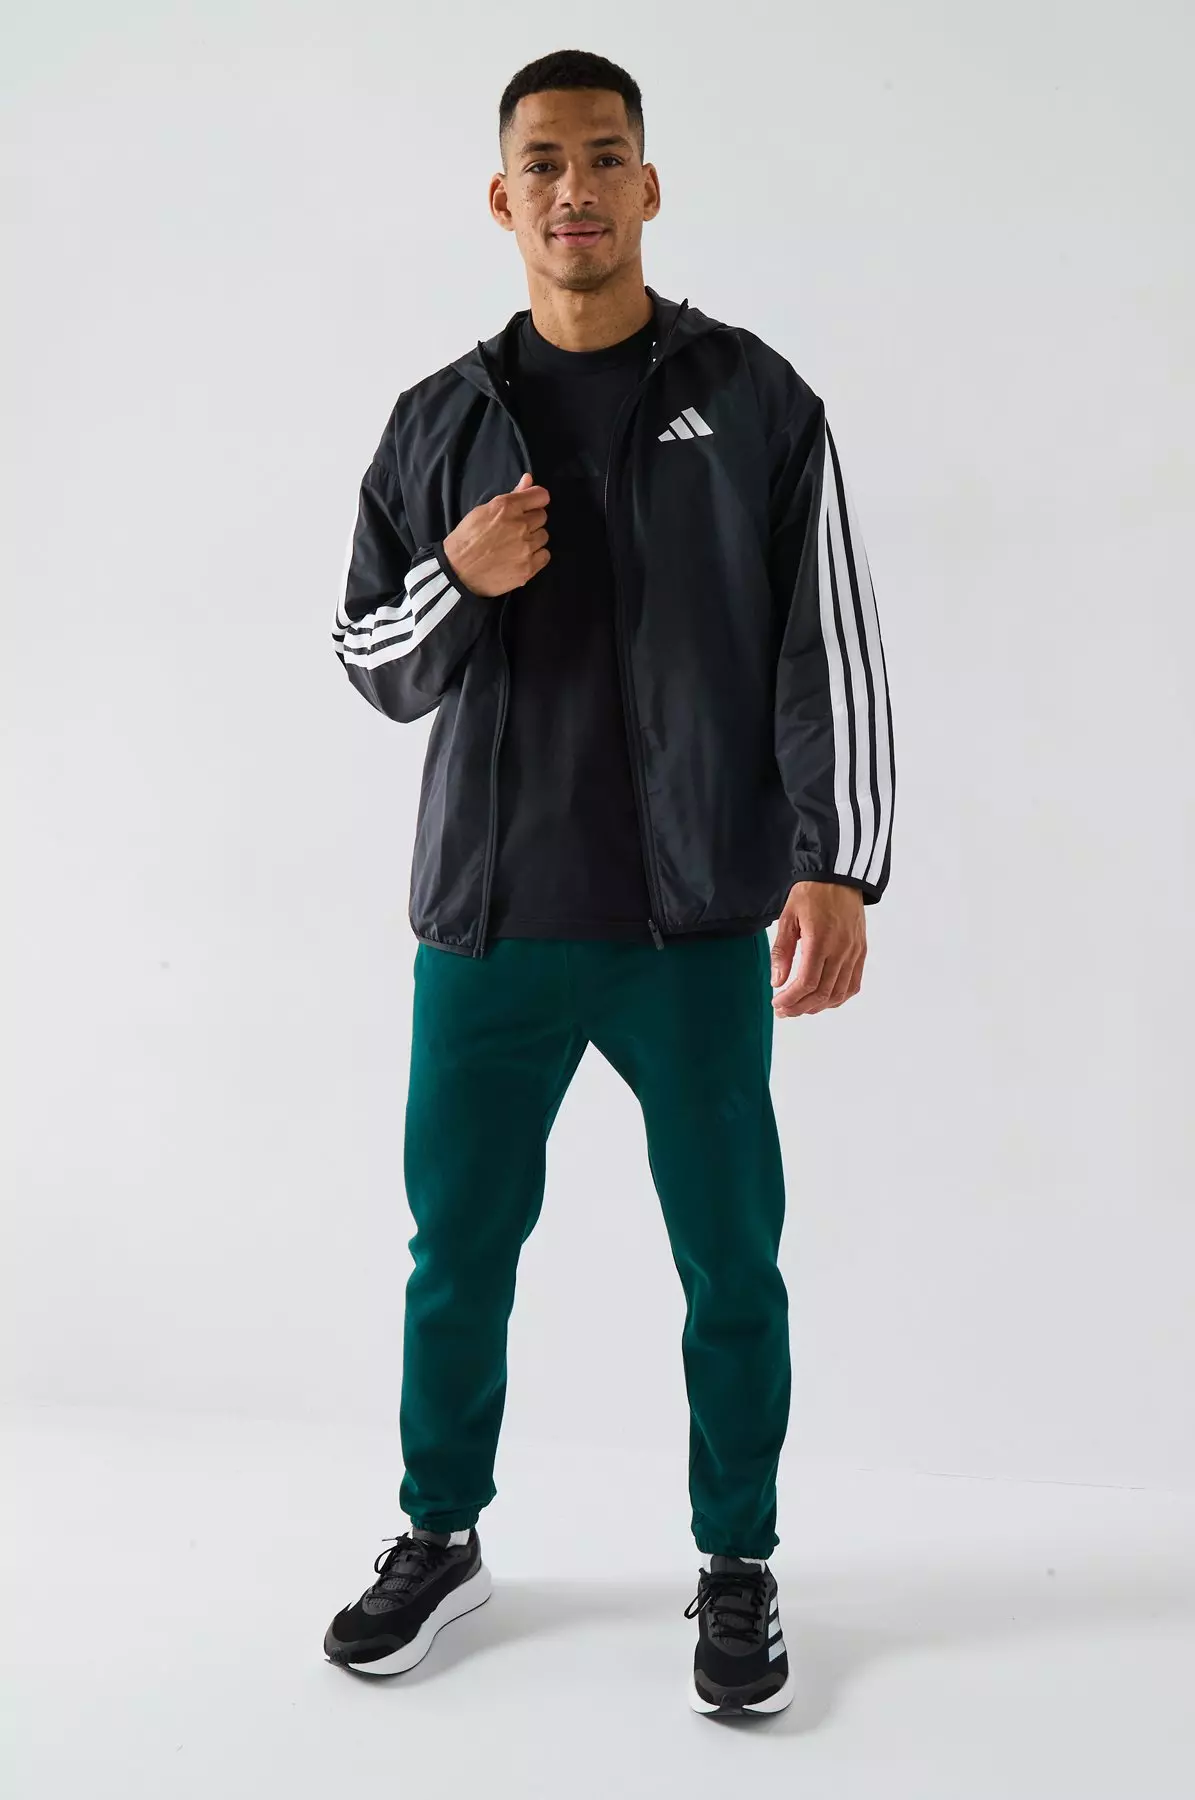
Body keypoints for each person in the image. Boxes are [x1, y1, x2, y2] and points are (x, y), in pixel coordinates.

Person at [322, 47, 894, 1717]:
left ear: (647, 185)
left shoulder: (755, 398)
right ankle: (441, 1534)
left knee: (730, 1261)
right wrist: (459, 572)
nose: (573, 188)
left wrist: (837, 862)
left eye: (602, 157)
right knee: (457, 1252)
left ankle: (738, 1562)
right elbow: (367, 658)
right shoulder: (435, 421)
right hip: (488, 922)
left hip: (692, 923)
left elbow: (827, 640)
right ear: (502, 200)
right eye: (543, 163)